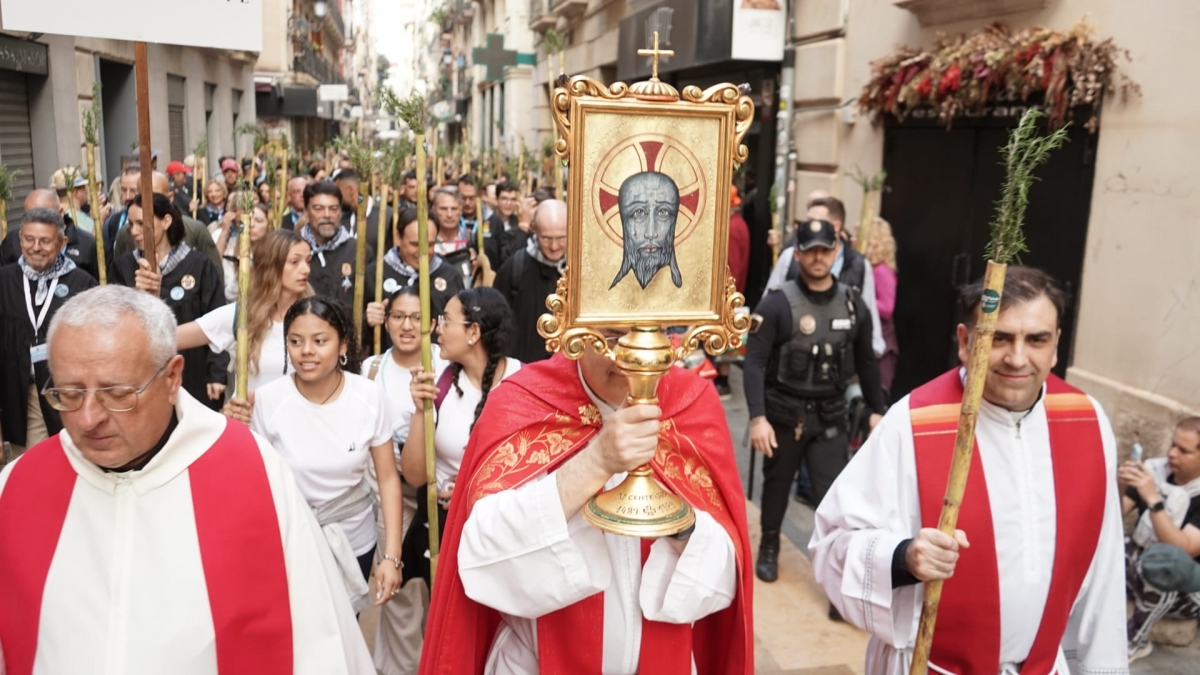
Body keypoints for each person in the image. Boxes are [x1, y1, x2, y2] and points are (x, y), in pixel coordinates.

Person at [0, 285, 374, 673]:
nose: (88, 418)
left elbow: (319, 639)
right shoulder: (18, 487)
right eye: (69, 393)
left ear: (172, 377)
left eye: (117, 393)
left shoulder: (253, 473)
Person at [809, 266, 1127, 674]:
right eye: (999, 338)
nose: (1017, 358)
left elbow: (1104, 573)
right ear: (965, 341)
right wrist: (904, 557)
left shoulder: (1086, 422)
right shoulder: (912, 423)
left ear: (1055, 345)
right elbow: (833, 544)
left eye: (1036, 339)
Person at [419, 325, 752, 673]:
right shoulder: (521, 400)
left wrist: (678, 526)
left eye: (650, 334)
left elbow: (727, 568)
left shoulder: (692, 402)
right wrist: (596, 462)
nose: (629, 356)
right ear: (577, 329)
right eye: (612, 337)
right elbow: (483, 558)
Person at [745, 218, 886, 583]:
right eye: (811, 251)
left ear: (837, 252)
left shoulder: (853, 305)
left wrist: (877, 411)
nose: (818, 257)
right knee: (777, 486)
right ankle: (770, 545)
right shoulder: (777, 304)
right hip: (784, 415)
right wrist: (758, 418)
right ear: (798, 255)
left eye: (825, 250)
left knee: (833, 496)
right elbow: (755, 363)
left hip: (830, 417)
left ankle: (836, 568)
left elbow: (867, 362)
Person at [251, 297, 404, 613]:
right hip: (290, 540)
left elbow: (389, 480)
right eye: (295, 341)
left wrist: (391, 557)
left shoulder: (368, 396)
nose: (306, 351)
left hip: (354, 543)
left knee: (346, 632)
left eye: (320, 341)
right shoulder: (268, 400)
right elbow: (256, 484)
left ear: (343, 344)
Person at [400, 288, 520, 588]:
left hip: (505, 536)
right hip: (446, 535)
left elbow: (535, 467)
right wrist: (420, 410)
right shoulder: (437, 382)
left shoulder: (523, 383)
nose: (437, 329)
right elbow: (414, 475)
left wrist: (472, 493)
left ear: (473, 332)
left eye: (446, 320)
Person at [360, 287, 450, 674]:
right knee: (398, 588)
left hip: (439, 490)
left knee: (440, 587)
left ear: (432, 323)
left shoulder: (447, 364)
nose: (407, 326)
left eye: (416, 317)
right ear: (386, 320)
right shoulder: (371, 369)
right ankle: (399, 667)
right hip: (391, 492)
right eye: (398, 317)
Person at [175, 229, 313, 418]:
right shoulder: (241, 317)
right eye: (295, 262)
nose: (306, 269)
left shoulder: (316, 317)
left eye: (308, 261)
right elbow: (169, 339)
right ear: (271, 265)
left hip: (301, 426)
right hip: (252, 429)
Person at [111, 193, 227, 412]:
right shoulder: (123, 267)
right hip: (143, 375)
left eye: (141, 224)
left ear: (166, 221)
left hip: (193, 373)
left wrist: (217, 373)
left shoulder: (198, 264)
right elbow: (114, 323)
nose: (134, 231)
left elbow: (217, 319)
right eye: (131, 224)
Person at [0, 208, 97, 457]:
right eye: (29, 239)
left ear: (62, 243)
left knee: (77, 461)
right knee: (32, 463)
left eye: (45, 241)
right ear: (20, 238)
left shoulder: (82, 284)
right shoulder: (4, 281)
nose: (36, 248)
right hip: (22, 394)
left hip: (69, 394)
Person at [764, 197, 886, 359]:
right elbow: (768, 306)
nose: (807, 226)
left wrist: (868, 356)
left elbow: (869, 317)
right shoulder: (790, 257)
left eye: (814, 221)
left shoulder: (858, 265)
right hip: (793, 357)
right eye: (807, 220)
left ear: (836, 226)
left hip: (840, 363)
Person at [1121, 417, 1200, 662]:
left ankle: (1135, 641)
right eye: (1173, 445)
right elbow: (1114, 514)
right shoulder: (1156, 470)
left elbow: (1184, 549)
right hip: (1140, 559)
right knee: (1107, 544)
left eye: (1183, 450)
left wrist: (1154, 500)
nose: (1172, 453)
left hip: (1185, 588)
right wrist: (1121, 484)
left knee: (1162, 565)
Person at [364, 208, 466, 352]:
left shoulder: (449, 275)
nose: (423, 252)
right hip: (389, 360)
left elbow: (462, 327)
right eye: (415, 244)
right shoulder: (375, 273)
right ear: (398, 237)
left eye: (430, 245)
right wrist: (366, 320)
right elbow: (353, 332)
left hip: (437, 362)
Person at [113, 171, 224, 287]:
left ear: (170, 197)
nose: (147, 204)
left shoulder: (195, 229)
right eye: (141, 197)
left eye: (155, 197)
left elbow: (215, 274)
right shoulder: (125, 233)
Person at [494, 199, 565, 364]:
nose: (554, 246)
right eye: (546, 238)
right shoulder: (515, 267)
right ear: (534, 230)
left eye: (561, 238)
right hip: (525, 366)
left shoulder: (582, 269)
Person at [0, 189, 99, 280]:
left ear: (60, 212)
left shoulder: (87, 244)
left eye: (45, 241)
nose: (36, 248)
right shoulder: (12, 241)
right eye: (30, 216)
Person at [300, 179, 373, 301]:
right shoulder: (293, 247)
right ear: (306, 211)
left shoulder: (359, 250)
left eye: (333, 209)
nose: (327, 215)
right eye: (318, 209)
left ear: (340, 212)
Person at [865, 217, 900, 395]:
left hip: (882, 343)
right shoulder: (871, 268)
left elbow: (887, 308)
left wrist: (862, 298)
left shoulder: (881, 271)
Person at [215, 198, 271, 303]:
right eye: (247, 220)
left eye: (258, 220)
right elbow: (229, 295)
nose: (251, 224)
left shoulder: (277, 252)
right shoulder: (231, 253)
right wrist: (241, 275)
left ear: (268, 224)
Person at [483, 181, 526, 271]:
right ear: (496, 200)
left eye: (513, 199)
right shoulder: (488, 224)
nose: (508, 203)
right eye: (504, 199)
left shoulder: (519, 223)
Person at [100, 165, 141, 259]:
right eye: (124, 190)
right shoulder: (113, 222)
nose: (128, 196)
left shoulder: (158, 220)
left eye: (133, 190)